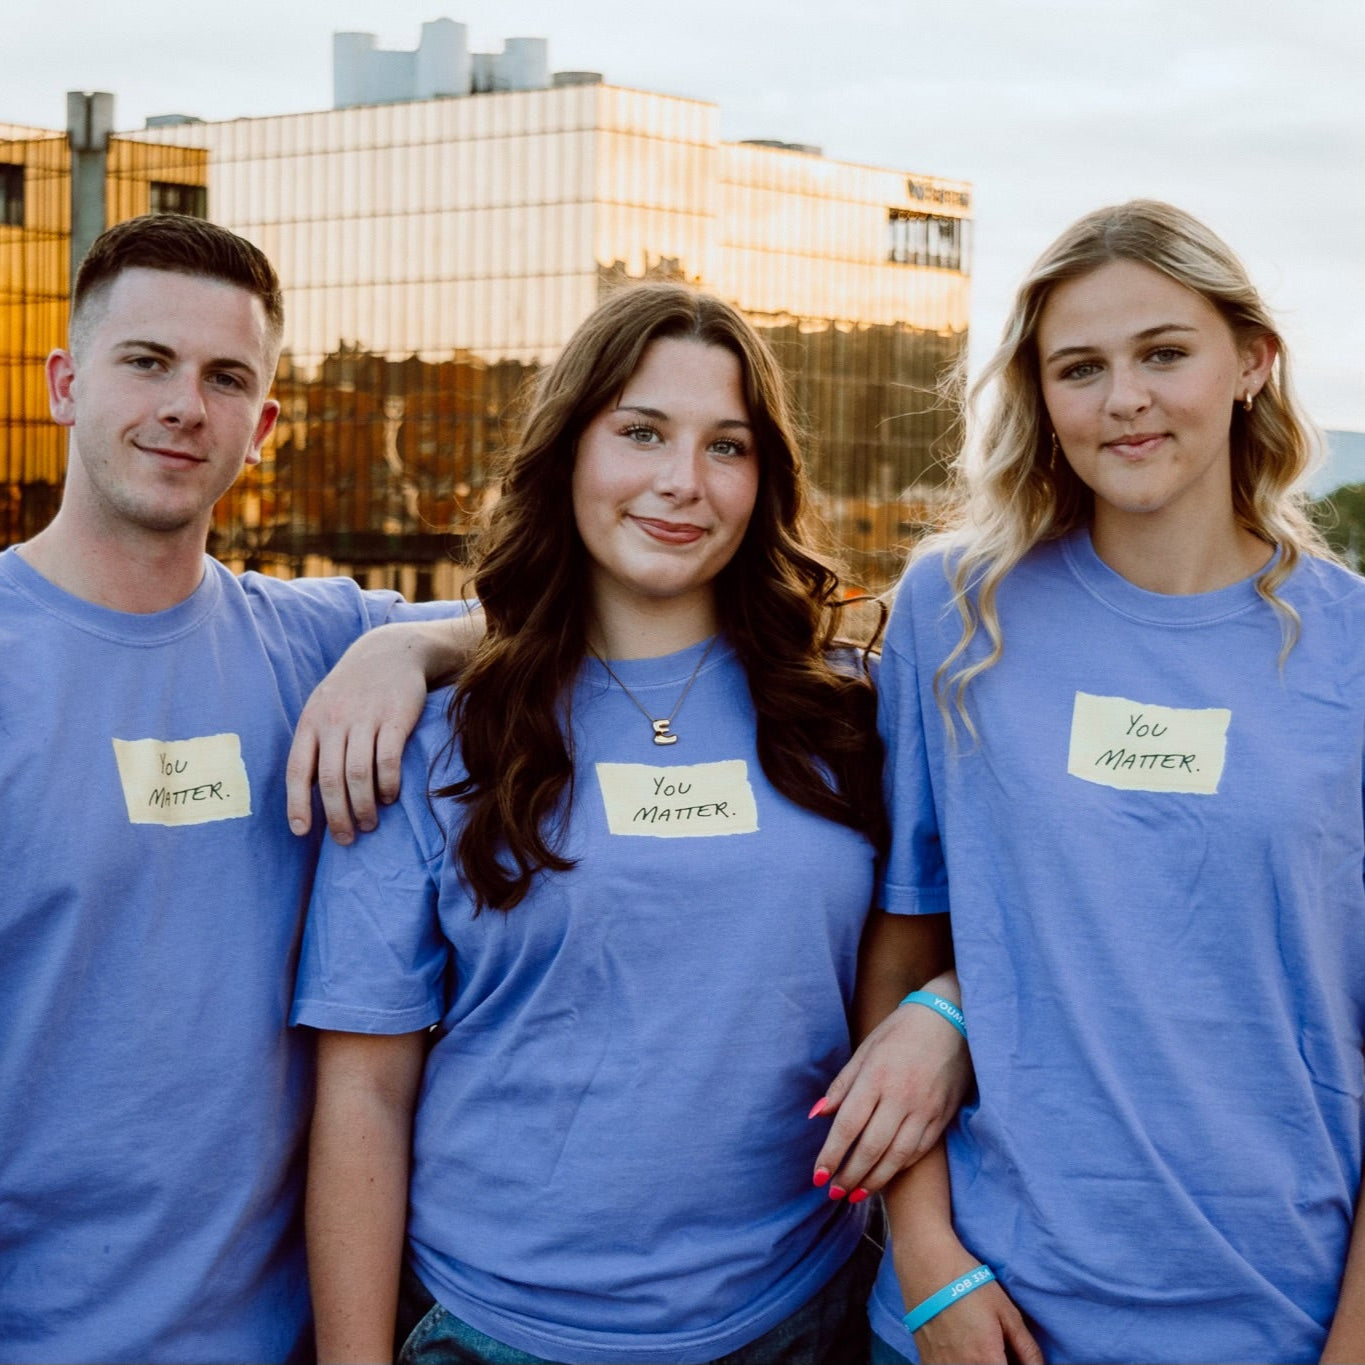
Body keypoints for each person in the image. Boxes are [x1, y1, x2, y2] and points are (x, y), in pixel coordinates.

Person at [291, 283, 967, 1365]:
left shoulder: (852, 714)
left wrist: (950, 1012)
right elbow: (365, 1088)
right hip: (493, 1332)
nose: (681, 483)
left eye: (727, 445)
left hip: (801, 1314)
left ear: (765, 479)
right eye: (641, 432)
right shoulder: (430, 738)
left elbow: (1005, 922)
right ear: (569, 450)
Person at [861, 200, 1365, 1364]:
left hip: (1277, 1311)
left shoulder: (1350, 648)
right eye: (1080, 368)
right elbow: (900, 943)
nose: (1125, 399)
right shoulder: (955, 612)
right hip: (985, 1312)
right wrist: (926, 1255)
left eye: (1164, 353)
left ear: (1252, 361)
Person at [0, 213, 471, 1364]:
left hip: (288, 1338)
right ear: (66, 384)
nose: (183, 406)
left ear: (261, 427)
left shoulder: (316, 639)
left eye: (225, 379)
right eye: (147, 363)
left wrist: (406, 650)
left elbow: (562, 618)